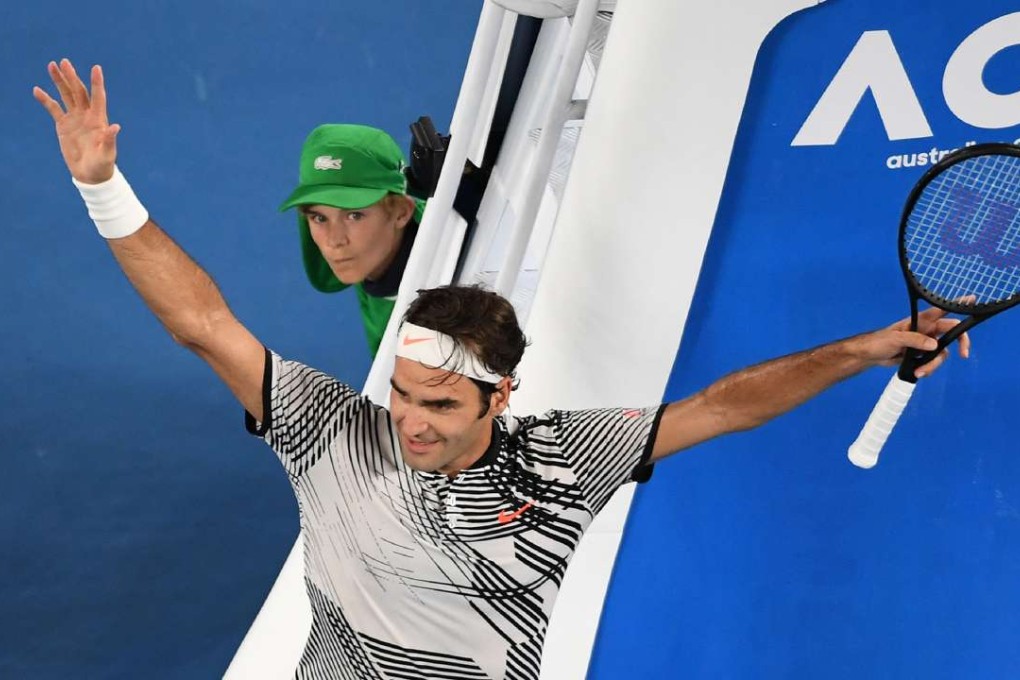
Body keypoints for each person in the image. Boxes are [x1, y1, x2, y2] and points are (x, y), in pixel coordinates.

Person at [34, 59, 970, 680]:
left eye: (438, 404)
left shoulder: (565, 459)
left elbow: (722, 409)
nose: (408, 420)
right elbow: (203, 322)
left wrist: (862, 348)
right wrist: (100, 185)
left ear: (501, 398)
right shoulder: (332, 430)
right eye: (401, 394)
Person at [281, 123, 424, 356]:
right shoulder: (372, 263)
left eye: (354, 215)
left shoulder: (455, 284)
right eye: (319, 217)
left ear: (401, 212)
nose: (334, 241)